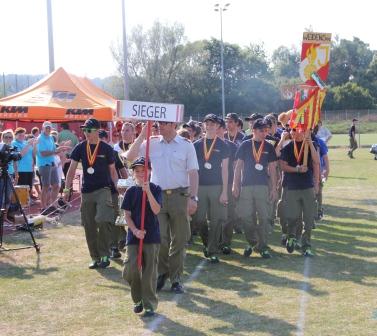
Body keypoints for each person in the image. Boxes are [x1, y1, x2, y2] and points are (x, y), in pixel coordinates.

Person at [126, 121, 199, 294]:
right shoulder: (151, 143)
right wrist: (143, 134)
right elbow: (130, 156)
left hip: (180, 196)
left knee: (180, 239)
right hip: (157, 196)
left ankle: (176, 279)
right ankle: (162, 273)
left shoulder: (186, 145)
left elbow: (193, 173)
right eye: (160, 124)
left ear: (174, 125)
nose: (161, 126)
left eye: (165, 123)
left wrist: (193, 198)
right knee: (161, 239)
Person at [64, 118, 118, 269]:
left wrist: (118, 189)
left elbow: (113, 171)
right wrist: (66, 189)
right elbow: (72, 169)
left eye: (89, 130)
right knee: (89, 225)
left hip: (104, 189)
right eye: (84, 130)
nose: (85, 133)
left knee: (103, 219)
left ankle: (105, 254)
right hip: (87, 191)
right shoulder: (80, 147)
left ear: (96, 131)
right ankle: (95, 258)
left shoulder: (107, 149)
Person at [122, 157, 162, 317]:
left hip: (151, 236)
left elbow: (157, 209)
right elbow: (127, 215)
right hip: (134, 237)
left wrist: (148, 192)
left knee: (149, 272)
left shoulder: (156, 188)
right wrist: (135, 230)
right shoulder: (130, 192)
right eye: (137, 171)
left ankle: (149, 304)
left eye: (143, 171)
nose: (140, 174)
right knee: (130, 269)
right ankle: (137, 299)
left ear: (150, 171)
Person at [233, 119, 278, 259]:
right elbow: (238, 166)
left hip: (262, 186)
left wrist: (274, 188)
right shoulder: (245, 145)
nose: (264, 133)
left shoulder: (269, 147)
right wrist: (235, 185)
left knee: (264, 217)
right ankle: (253, 242)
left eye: (266, 130)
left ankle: (263, 246)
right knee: (246, 217)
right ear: (253, 130)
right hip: (246, 186)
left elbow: (272, 169)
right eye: (261, 130)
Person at [194, 114, 229, 263]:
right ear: (203, 125)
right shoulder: (195, 145)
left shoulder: (223, 145)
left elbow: (225, 170)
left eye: (213, 124)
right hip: (200, 186)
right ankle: (207, 242)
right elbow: (192, 170)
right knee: (199, 219)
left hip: (216, 186)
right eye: (207, 123)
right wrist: (192, 191)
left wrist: (224, 191)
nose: (209, 126)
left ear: (217, 127)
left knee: (216, 220)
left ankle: (212, 249)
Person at [279, 129, 320, 257]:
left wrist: (316, 183)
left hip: (307, 187)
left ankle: (306, 245)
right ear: (291, 133)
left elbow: (316, 161)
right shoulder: (288, 147)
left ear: (305, 132)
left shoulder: (311, 144)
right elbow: (283, 166)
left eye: (299, 131)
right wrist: (297, 169)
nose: (296, 133)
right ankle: (291, 236)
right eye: (293, 131)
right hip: (292, 187)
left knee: (308, 219)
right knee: (292, 216)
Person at [99, 129, 128, 259]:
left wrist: (125, 187)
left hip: (114, 191)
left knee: (116, 217)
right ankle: (114, 245)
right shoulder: (92, 155)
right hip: (100, 192)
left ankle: (118, 242)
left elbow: (123, 171)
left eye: (101, 139)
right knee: (106, 219)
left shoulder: (114, 153)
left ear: (106, 139)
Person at [217, 118, 238, 254]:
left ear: (224, 129)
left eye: (219, 127)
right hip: (212, 183)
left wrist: (236, 184)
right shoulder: (205, 143)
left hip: (229, 182)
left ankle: (225, 242)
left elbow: (237, 166)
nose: (216, 130)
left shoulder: (232, 146)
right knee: (215, 214)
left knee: (229, 213)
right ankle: (215, 240)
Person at [35, 121, 67, 213]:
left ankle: (53, 205)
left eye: (49, 128)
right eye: (46, 128)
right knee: (46, 186)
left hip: (51, 163)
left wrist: (61, 148)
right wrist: (56, 151)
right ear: (43, 128)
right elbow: (43, 153)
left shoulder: (50, 138)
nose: (48, 129)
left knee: (56, 185)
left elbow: (54, 150)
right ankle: (44, 207)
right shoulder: (40, 138)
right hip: (44, 165)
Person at [12, 128, 36, 199]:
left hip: (30, 169)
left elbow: (34, 154)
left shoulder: (26, 142)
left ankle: (26, 204)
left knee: (29, 188)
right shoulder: (14, 143)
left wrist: (34, 145)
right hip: (21, 170)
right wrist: (29, 144)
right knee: (21, 189)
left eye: (23, 135)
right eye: (20, 135)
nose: (22, 136)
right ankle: (21, 205)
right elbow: (20, 155)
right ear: (15, 135)